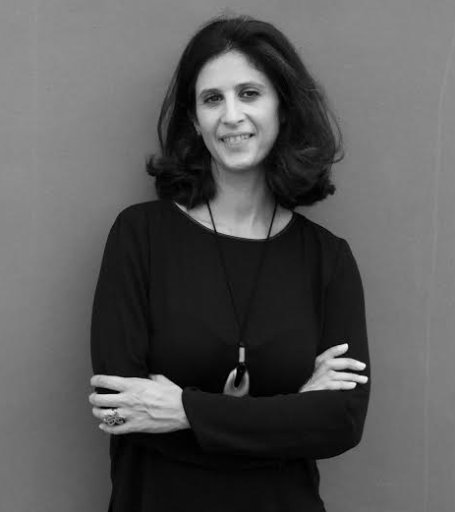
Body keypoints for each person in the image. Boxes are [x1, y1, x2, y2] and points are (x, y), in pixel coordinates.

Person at [89, 15, 370, 512]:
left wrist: (183, 409)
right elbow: (118, 412)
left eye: (249, 93)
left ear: (283, 107)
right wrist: (292, 413)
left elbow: (341, 422)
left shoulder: (327, 259)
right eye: (212, 99)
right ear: (194, 120)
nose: (231, 115)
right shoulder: (141, 236)